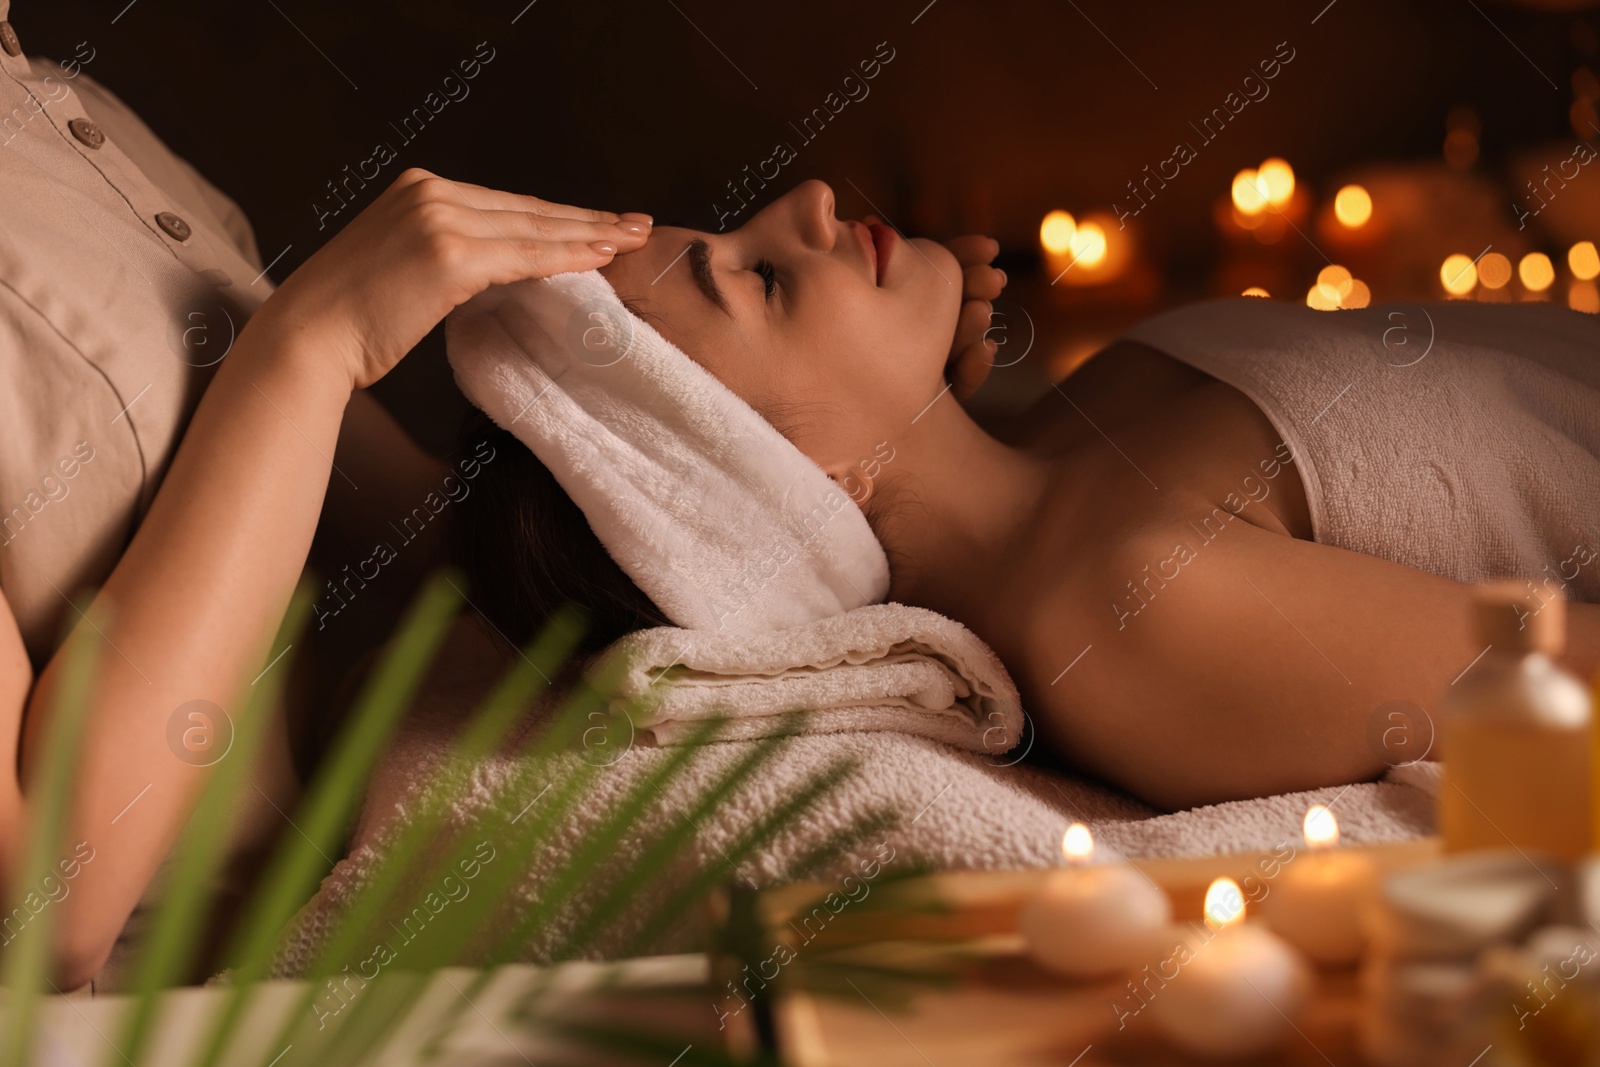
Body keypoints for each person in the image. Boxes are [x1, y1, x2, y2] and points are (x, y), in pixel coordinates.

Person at [454, 177, 1600, 818]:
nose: (808, 201)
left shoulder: (1063, 435)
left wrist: (930, 398)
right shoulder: (1136, 613)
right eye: (759, 276)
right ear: (784, 483)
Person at [0, 11, 650, 991]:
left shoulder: (60, 104)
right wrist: (310, 344)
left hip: (347, 951)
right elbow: (40, 916)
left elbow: (435, 545)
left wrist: (859, 448)